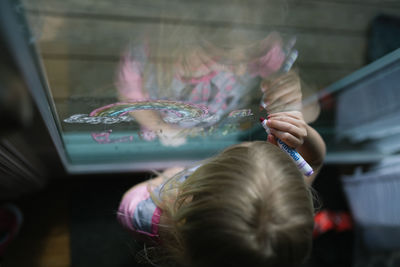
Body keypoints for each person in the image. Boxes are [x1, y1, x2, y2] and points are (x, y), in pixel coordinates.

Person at [117, 108, 326, 267]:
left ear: (196, 191)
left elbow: (129, 201)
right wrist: (304, 133)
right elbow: (314, 161)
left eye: (234, 153)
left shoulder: (148, 215)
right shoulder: (283, 210)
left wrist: (168, 176)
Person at [115, 2, 320, 146]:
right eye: (228, 55)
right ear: (192, 31)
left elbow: (310, 111)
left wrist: (292, 98)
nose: (242, 68)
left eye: (252, 52)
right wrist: (162, 128)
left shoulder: (264, 47)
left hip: (220, 137)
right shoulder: (147, 53)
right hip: (166, 137)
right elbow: (131, 98)